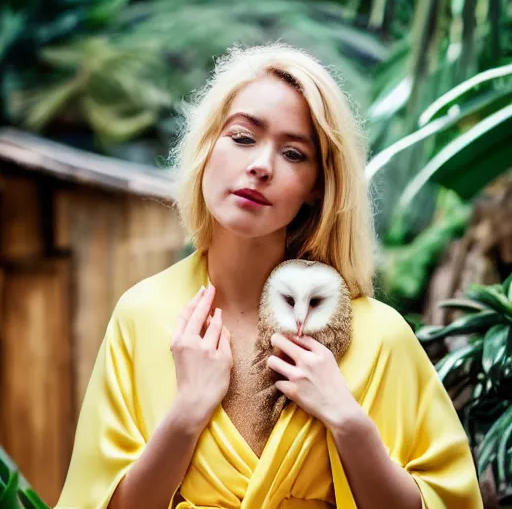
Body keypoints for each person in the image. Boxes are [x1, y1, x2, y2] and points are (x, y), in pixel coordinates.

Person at [55, 43, 483, 509]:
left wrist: (347, 420)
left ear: (318, 187)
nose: (260, 165)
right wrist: (185, 414)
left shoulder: (381, 337)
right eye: (241, 137)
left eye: (294, 154)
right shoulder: (142, 316)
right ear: (206, 148)